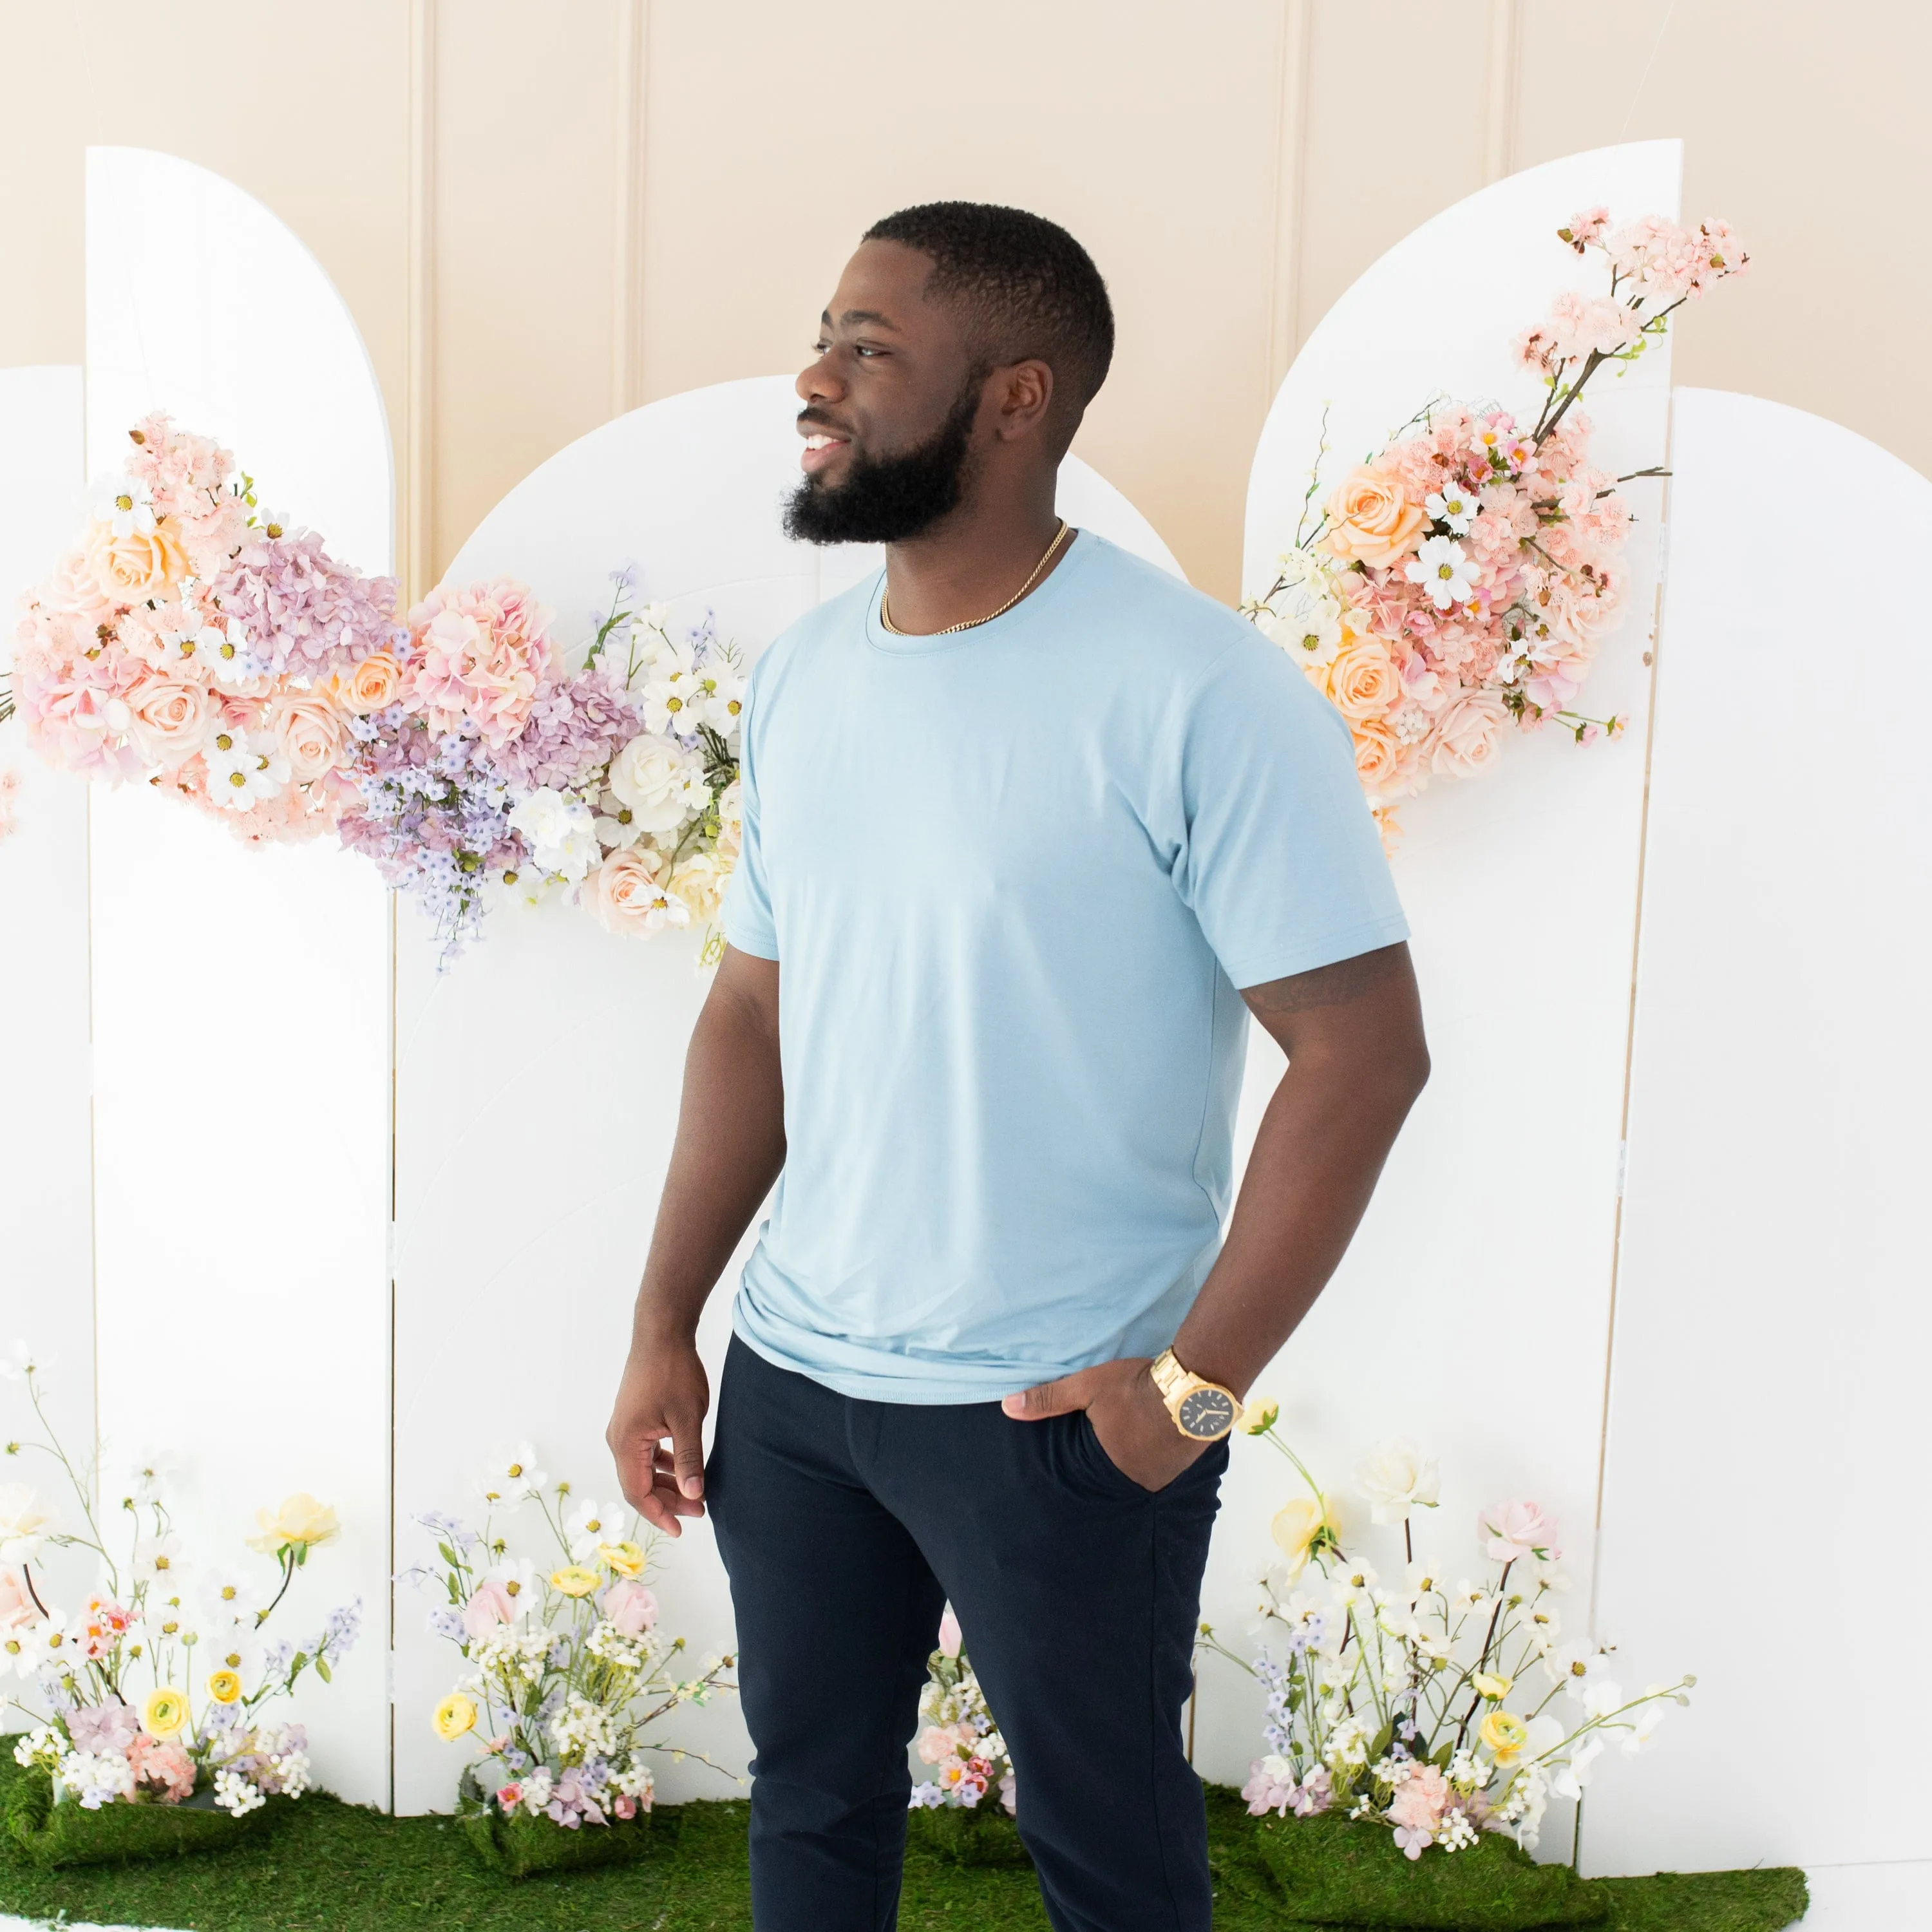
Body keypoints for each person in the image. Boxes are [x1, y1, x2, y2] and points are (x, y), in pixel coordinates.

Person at [607, 202, 1429, 1932]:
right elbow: (753, 1014)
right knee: (811, 1818)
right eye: (825, 333)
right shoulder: (808, 679)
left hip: (1061, 1414)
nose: (815, 378)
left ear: (1015, 397)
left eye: (872, 347)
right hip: (802, 1397)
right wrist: (662, 1322)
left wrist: (1191, 1394)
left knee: (1112, 1859)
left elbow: (1362, 1054)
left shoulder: (1201, 690)